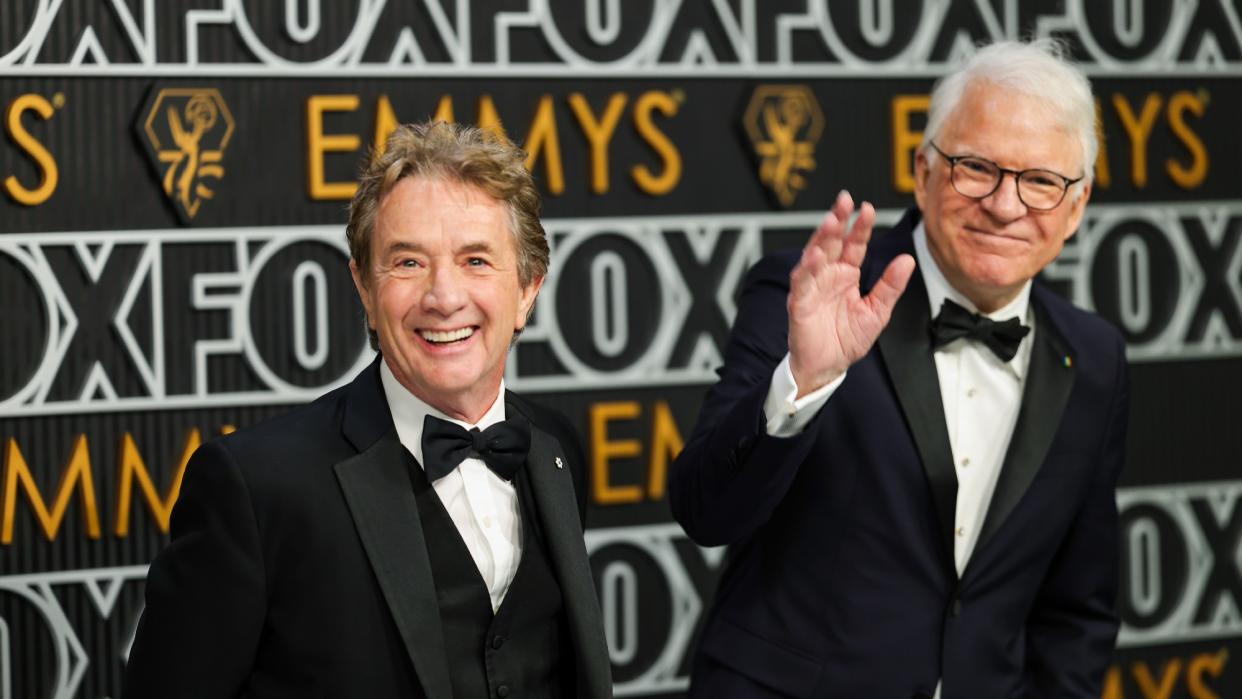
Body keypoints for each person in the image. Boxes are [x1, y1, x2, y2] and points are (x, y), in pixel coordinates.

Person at [669, 40, 1127, 698]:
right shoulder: (809, 293)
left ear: (1076, 206)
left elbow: (1078, 607)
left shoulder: (1097, 357)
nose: (1004, 204)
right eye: (976, 167)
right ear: (923, 170)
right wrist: (803, 382)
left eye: (1040, 181)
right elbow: (705, 511)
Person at [124, 121, 613, 698]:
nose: (444, 297)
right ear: (364, 289)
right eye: (408, 263)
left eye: (476, 260)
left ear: (528, 288)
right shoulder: (256, 489)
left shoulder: (554, 449)